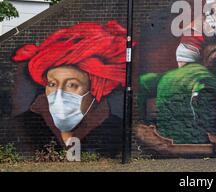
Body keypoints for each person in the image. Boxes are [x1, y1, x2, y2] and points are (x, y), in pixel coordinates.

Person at [11, 20, 129, 157]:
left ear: (96, 88)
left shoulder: (115, 128)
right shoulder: (25, 125)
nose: (59, 94)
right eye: (52, 84)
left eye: (72, 85)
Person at [137, 41, 216, 149]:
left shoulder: (180, 74)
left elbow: (142, 81)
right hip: (183, 144)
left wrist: (142, 121)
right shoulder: (209, 82)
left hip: (164, 136)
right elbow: (210, 133)